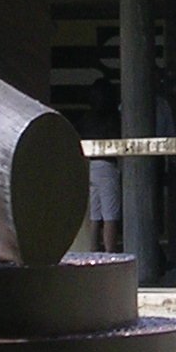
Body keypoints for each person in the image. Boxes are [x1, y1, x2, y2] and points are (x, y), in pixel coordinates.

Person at [77, 78, 121, 253]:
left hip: (89, 164)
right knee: (110, 215)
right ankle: (110, 252)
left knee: (94, 215)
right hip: (107, 165)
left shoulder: (86, 118)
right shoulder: (114, 118)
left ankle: (93, 250)